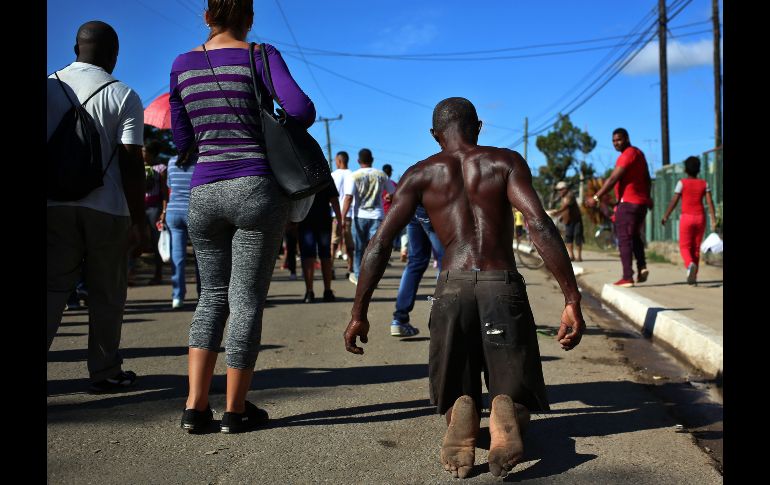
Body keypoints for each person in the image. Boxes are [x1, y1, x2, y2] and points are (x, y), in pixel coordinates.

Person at [343, 97, 586, 479]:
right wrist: (572, 297)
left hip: (452, 288)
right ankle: (507, 410)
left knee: (454, 391)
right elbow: (539, 224)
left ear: (435, 135)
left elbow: (379, 243)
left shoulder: (420, 173)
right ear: (478, 127)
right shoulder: (505, 162)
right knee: (517, 394)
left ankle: (461, 413)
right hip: (501, 284)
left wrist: (359, 312)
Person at [169, 0, 315, 434]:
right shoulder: (261, 55)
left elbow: (181, 139)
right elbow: (302, 111)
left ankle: (195, 407)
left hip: (204, 192)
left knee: (211, 296)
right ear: (248, 18)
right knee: (246, 299)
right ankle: (235, 410)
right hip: (254, 187)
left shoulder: (181, 65)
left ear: (207, 16)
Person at [47, 20, 145, 392]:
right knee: (107, 293)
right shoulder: (122, 94)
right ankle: (104, 371)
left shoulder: (49, 86)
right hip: (108, 208)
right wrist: (139, 220)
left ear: (75, 49)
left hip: (53, 205)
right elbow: (132, 161)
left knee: (52, 288)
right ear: (113, 56)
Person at [586, 128, 651, 287]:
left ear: (627, 138)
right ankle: (641, 267)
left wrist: (596, 197)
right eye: (614, 141)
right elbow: (647, 178)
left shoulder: (627, 155)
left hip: (628, 203)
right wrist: (648, 197)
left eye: (619, 140)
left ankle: (627, 277)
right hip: (641, 203)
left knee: (623, 239)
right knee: (635, 236)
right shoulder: (639, 154)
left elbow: (614, 178)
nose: (616, 143)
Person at [341, 148, 396, 285]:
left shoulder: (354, 176)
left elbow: (348, 198)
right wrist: (389, 196)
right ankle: (372, 277)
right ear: (372, 160)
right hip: (377, 216)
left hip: (359, 216)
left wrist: (342, 217)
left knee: (359, 248)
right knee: (375, 250)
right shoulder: (381, 174)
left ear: (358, 161)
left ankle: (359, 276)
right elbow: (394, 193)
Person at [389, 204, 445, 337]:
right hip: (438, 205)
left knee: (416, 262)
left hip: (416, 207)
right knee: (447, 264)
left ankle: (399, 319)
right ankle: (443, 322)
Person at [661, 156, 717, 285]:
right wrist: (713, 219)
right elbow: (710, 202)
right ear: (699, 169)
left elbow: (674, 200)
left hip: (686, 218)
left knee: (684, 246)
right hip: (700, 218)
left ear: (686, 169)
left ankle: (689, 264)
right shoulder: (704, 183)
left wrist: (666, 215)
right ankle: (694, 277)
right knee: (696, 248)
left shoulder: (682, 183)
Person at [158, 147, 201, 309]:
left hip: (173, 212)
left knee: (178, 258)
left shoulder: (170, 162)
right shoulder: (200, 162)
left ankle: (177, 296)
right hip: (195, 212)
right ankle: (202, 295)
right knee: (200, 258)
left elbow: (170, 187)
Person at [298, 181, 343, 302]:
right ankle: (327, 291)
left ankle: (309, 292)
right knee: (325, 255)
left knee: (308, 256)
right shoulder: (324, 173)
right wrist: (339, 220)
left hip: (305, 220)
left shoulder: (300, 172)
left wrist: (291, 220)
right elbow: (334, 200)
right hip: (323, 220)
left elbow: (294, 198)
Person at [142, 140, 168, 284]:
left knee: (155, 242)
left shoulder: (160, 168)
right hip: (140, 208)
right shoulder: (138, 166)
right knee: (137, 239)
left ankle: (158, 275)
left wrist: (164, 211)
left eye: (144, 151)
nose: (142, 154)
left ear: (151, 154)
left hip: (154, 209)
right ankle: (129, 274)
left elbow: (164, 192)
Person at [548, 180, 584, 262]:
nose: (559, 191)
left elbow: (566, 206)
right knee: (569, 238)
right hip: (568, 221)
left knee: (578, 237)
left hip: (576, 220)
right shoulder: (562, 197)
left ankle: (579, 256)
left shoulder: (570, 195)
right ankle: (571, 256)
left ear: (565, 189)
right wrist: (560, 216)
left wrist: (557, 212)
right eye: (558, 190)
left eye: (560, 189)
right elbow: (565, 210)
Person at [330, 151, 354, 276]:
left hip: (335, 213)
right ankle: (350, 268)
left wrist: (340, 217)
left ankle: (331, 267)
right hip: (350, 214)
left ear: (339, 161)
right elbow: (350, 197)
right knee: (349, 244)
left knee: (334, 242)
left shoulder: (333, 175)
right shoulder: (352, 175)